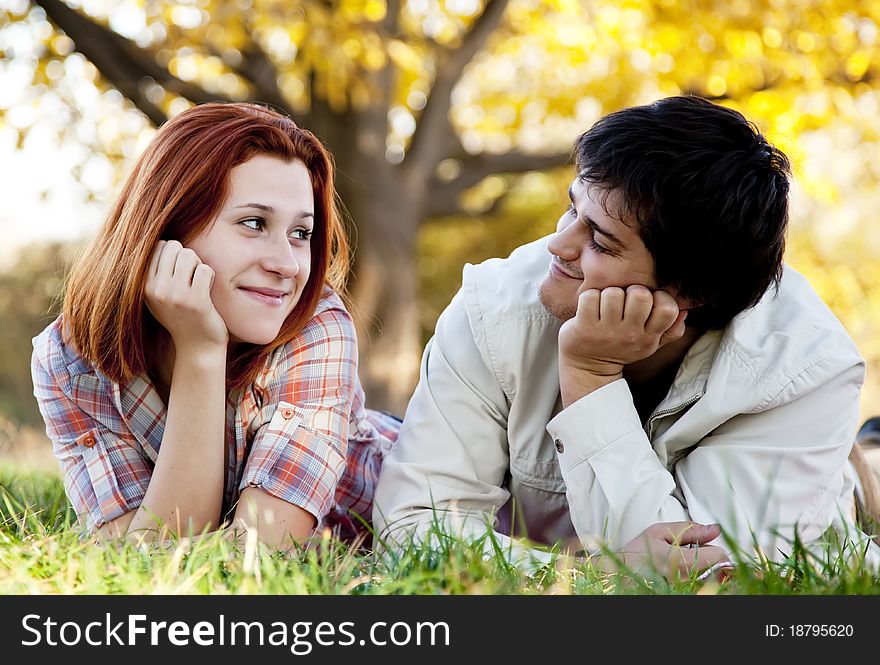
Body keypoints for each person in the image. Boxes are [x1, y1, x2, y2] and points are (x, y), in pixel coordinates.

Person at [374, 95, 879, 578]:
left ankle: (865, 461)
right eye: (573, 209)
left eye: (599, 240)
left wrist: (590, 377)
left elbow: (701, 580)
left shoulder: (804, 370)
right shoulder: (496, 307)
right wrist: (585, 575)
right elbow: (412, 524)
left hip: (818, 503)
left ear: (690, 292)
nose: (558, 244)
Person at [32, 102, 398, 549]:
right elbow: (145, 556)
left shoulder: (317, 326)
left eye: (301, 233)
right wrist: (200, 351)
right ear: (168, 228)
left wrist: (200, 349)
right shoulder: (71, 361)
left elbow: (260, 553)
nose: (286, 264)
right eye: (253, 223)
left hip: (454, 481)